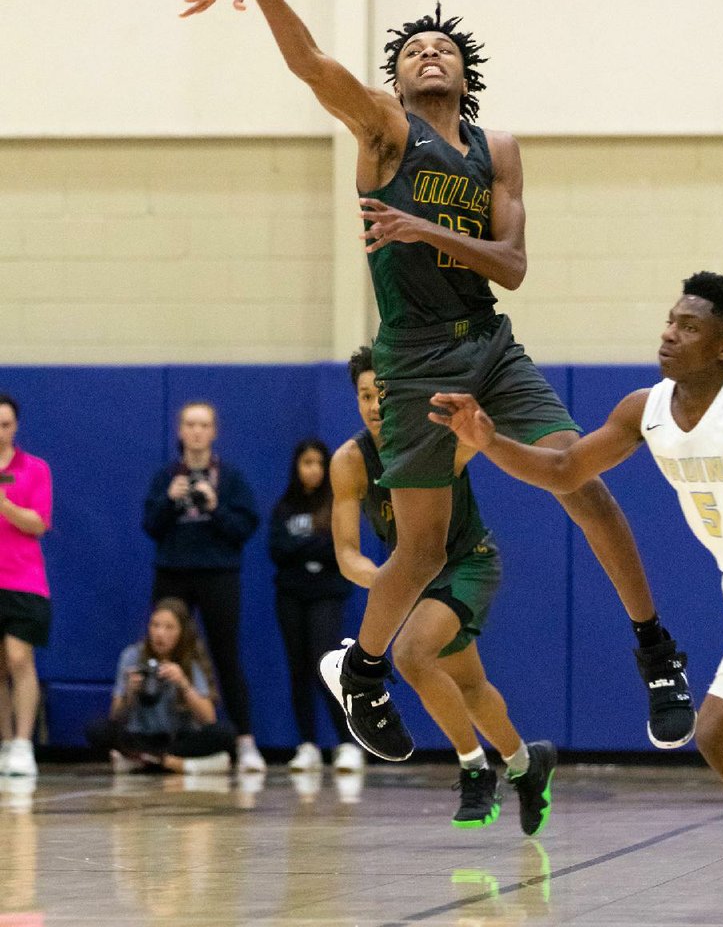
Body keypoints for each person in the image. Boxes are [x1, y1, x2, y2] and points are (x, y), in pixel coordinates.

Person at [181, 0, 695, 762]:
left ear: (464, 73)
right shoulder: (385, 131)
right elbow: (311, 63)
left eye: (442, 48)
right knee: (420, 548)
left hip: (487, 338)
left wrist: (428, 233)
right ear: (394, 77)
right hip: (415, 357)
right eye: (413, 48)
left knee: (578, 479)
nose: (428, 53)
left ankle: (656, 652)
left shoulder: (499, 150)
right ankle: (365, 673)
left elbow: (512, 264)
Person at [429, 271, 723, 922]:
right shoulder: (643, 409)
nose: (669, 331)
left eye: (688, 326)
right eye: (669, 318)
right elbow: (565, 471)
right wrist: (488, 441)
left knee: (718, 732)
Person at [331, 345, 555, 833]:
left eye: (382, 393)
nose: (373, 405)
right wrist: (388, 584)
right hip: (416, 577)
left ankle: (474, 770)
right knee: (471, 687)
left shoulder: (434, 438)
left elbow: (487, 429)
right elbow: (347, 555)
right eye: (364, 395)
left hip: (468, 563)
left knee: (411, 655)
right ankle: (525, 764)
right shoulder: (350, 461)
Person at [142, 400, 265, 774]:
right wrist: (169, 500)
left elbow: (244, 529)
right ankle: (157, 739)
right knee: (163, 653)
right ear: (180, 431)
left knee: (226, 655)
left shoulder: (230, 479)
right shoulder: (167, 477)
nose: (196, 432)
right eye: (190, 425)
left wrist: (214, 506)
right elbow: (151, 527)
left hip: (218, 573)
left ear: (214, 432)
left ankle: (245, 742)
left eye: (204, 425)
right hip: (173, 571)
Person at [269, 437, 363, 775]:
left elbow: (337, 551)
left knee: (326, 664)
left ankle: (347, 744)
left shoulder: (338, 504)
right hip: (292, 594)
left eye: (319, 463)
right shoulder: (284, 507)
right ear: (297, 467)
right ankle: (307, 744)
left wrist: (304, 547)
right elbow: (277, 550)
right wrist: (313, 546)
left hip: (326, 594)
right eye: (306, 463)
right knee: (298, 668)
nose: (313, 470)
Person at [86, 598, 237, 773]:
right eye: (155, 626)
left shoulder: (190, 659)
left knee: (225, 733)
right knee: (96, 729)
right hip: (141, 736)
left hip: (178, 738)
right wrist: (130, 693)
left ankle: (147, 761)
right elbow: (115, 715)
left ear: (182, 632)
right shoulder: (132, 656)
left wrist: (183, 684)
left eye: (169, 628)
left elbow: (209, 719)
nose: (160, 634)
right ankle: (170, 762)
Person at [0, 394, 52, 779]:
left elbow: (38, 523)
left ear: (15, 427)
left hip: (22, 579)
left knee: (19, 656)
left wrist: (5, 505)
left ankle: (22, 742)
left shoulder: (35, 469)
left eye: (5, 424)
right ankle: (5, 743)